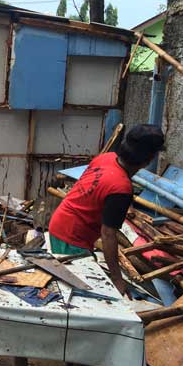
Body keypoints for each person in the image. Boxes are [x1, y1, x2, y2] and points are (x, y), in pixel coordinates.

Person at [48, 124, 166, 297]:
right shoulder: (121, 188)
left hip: (60, 222)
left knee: (71, 283)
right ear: (148, 160)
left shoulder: (106, 158)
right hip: (72, 238)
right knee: (82, 293)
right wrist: (118, 279)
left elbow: (93, 190)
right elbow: (108, 234)